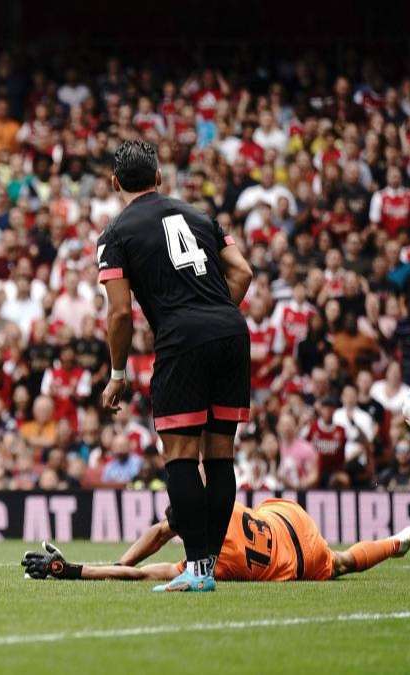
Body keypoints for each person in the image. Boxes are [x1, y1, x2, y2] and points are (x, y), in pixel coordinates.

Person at [97, 140, 253, 592]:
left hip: (183, 339)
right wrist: (216, 316)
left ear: (115, 183)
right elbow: (242, 272)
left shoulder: (116, 233)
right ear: (160, 177)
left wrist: (118, 373)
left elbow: (120, 312)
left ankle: (199, 570)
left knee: (181, 456)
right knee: (220, 454)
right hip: (231, 331)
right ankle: (207, 564)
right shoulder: (201, 217)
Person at [22, 500, 410, 583]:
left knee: (341, 563)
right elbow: (162, 533)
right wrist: (120, 561)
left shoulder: (214, 563)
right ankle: (397, 542)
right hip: (285, 516)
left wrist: (74, 570)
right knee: (345, 560)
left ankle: (396, 543)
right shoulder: (218, 500)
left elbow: (141, 575)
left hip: (299, 564)